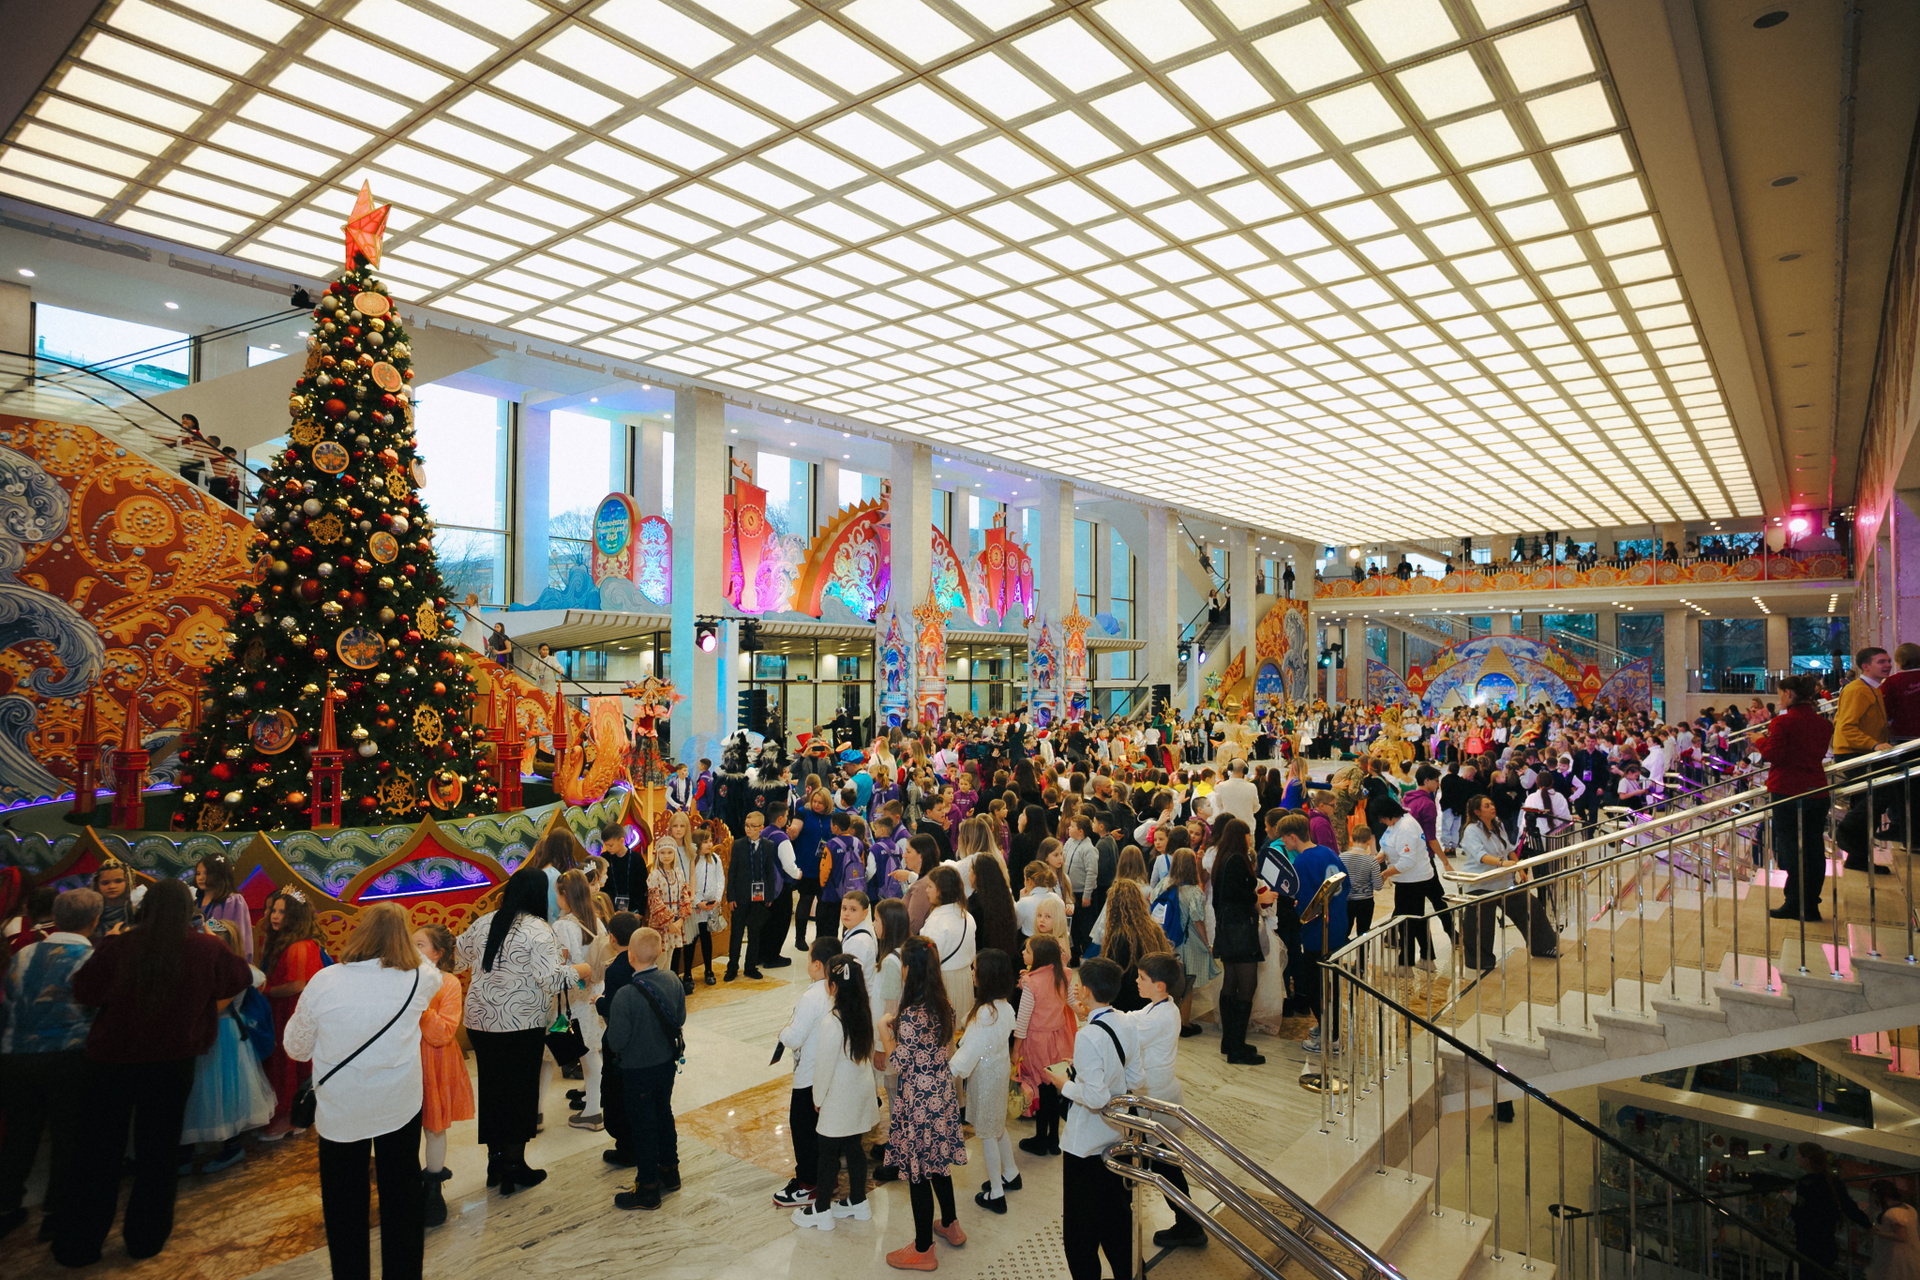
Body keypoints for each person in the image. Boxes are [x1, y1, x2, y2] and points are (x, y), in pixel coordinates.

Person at [54, 879, 251, 1268]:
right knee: (159, 1152)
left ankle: (80, 1243)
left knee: (98, 1151)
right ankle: (145, 1239)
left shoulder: (120, 944)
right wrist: (213, 948)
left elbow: (86, 992)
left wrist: (107, 945)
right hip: (171, 1063)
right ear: (188, 911)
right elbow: (238, 978)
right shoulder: (205, 947)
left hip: (112, 1061)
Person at [284, 903, 441, 1280]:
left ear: (359, 933)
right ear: (404, 937)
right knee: (402, 1193)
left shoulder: (325, 980)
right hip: (398, 1103)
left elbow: (296, 1048)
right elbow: (428, 967)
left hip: (342, 1107)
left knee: (344, 1203)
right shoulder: (421, 977)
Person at [455, 866, 591, 1196]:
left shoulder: (485, 921)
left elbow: (456, 959)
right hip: (520, 1024)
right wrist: (581, 969)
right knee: (519, 1094)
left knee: (493, 1091)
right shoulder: (539, 929)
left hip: (480, 1023)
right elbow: (551, 980)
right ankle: (514, 1167)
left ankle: (495, 1164)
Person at [0, 888, 100, 1242]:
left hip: (15, 1056)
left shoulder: (24, 953)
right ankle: (56, 1213)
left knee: (19, 1136)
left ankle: (6, 1206)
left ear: (55, 918)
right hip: (68, 1057)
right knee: (67, 1135)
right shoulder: (91, 958)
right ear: (94, 921)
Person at [1044, 957, 1135, 1280]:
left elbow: (1096, 1097)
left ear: (1086, 991)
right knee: (1115, 1219)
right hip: (1117, 1135)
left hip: (1085, 1145)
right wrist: (1083, 1070)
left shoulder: (1088, 1036)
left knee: (1080, 1231)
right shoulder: (1126, 1021)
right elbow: (1135, 1076)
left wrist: (1065, 1084)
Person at [883, 937, 968, 1271]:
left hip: (918, 1100)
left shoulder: (911, 1014)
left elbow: (900, 1062)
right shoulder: (944, 1004)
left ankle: (922, 1249)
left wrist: (885, 1032)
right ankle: (950, 1223)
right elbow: (937, 1046)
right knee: (938, 1163)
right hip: (941, 1095)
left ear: (908, 969)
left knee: (918, 1172)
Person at [178, 919, 274, 1174]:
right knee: (196, 1091)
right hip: (209, 1033)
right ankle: (187, 1150)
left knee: (225, 1091)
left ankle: (231, 1146)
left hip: (224, 1035)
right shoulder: (201, 968)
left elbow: (212, 1007)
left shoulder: (239, 972)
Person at [795, 955, 880, 1231]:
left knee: (828, 1152)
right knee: (854, 1146)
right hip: (861, 1092)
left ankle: (821, 1210)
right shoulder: (864, 1013)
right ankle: (858, 1201)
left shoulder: (832, 1022)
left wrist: (817, 1098)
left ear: (833, 986)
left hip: (839, 1096)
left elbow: (824, 1068)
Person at [606, 927, 688, 1211]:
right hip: (666, 1064)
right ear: (661, 951)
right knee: (663, 1114)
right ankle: (670, 1172)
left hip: (637, 1070)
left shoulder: (625, 995)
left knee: (643, 1126)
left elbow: (616, 1041)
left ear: (630, 956)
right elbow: (679, 1018)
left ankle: (648, 1188)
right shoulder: (672, 979)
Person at [1128, 951, 1205, 1249]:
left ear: (1159, 985)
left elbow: (1128, 1037)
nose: (1136, 981)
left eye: (1142, 978)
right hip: (1161, 1094)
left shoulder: (1159, 1017)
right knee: (1164, 1163)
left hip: (1155, 1098)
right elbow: (1132, 1018)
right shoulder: (1162, 1007)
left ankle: (1189, 1225)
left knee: (1166, 1167)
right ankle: (1188, 1223)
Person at [1757, 675, 1836, 921]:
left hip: (1788, 791)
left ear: (1789, 693)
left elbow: (1775, 755)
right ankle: (1810, 903)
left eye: (1780, 694)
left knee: (1791, 849)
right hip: (1817, 790)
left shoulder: (1782, 722)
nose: (1780, 698)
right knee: (1813, 848)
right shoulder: (1823, 723)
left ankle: (1795, 903)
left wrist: (1759, 741)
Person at [411, 924, 473, 1228]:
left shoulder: (447, 983)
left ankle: (433, 1188)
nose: (413, 950)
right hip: (407, 1061)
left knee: (434, 1126)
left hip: (435, 1061)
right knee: (405, 1126)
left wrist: (420, 1005)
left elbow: (443, 1032)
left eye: (420, 945)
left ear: (437, 953)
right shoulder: (403, 978)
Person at [950, 948, 1018, 1214]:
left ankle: (996, 1193)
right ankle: (1010, 1172)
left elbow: (970, 1051)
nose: (971, 973)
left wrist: (948, 1073)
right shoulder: (1004, 1006)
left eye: (974, 969)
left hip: (986, 1075)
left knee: (988, 1133)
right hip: (998, 1070)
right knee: (997, 1125)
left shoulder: (986, 1013)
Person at [774, 937, 840, 1210]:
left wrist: (783, 1033)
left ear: (816, 965)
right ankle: (828, 1177)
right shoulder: (838, 990)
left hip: (809, 1076)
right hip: (828, 1073)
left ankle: (808, 1184)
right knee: (821, 1131)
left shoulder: (811, 997)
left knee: (802, 1130)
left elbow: (796, 1037)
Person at [258, 888, 325, 1139]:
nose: (274, 916)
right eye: (274, 910)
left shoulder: (298, 946)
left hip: (290, 1010)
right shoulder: (289, 942)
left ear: (296, 916)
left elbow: (297, 985)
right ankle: (297, 1117)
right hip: (285, 1009)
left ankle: (289, 1117)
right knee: (289, 1063)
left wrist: (265, 990)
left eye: (282, 912)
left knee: (287, 1063)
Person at [1210, 818, 1276, 1065]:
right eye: (1248, 835)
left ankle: (1230, 1041)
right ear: (1241, 836)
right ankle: (1236, 1047)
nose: (1250, 839)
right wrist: (1258, 898)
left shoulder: (1223, 858)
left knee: (1231, 983)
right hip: (1239, 930)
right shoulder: (1237, 859)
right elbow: (1237, 895)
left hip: (1227, 929)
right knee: (1247, 987)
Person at [554, 870, 606, 1132]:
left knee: (587, 1054)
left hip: (575, 997)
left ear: (564, 894)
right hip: (596, 992)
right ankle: (593, 1099)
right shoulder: (596, 921)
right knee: (593, 1050)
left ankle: (593, 1112)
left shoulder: (562, 926)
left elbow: (560, 964)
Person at [726, 809, 799, 981]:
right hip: (740, 896)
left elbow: (769, 873)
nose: (749, 829)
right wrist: (731, 897)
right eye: (747, 826)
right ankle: (732, 967)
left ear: (761, 827)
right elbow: (732, 872)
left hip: (758, 896)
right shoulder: (738, 845)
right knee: (736, 933)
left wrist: (769, 895)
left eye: (753, 826)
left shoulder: (768, 845)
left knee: (755, 932)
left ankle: (750, 966)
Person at [1155, 848, 1218, 1036]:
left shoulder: (1163, 885)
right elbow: (1198, 920)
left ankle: (1167, 1022)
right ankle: (1184, 1024)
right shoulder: (1194, 892)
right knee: (1187, 984)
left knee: (1168, 983)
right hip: (1187, 942)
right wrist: (1207, 944)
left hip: (1166, 941)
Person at [1789, 1141, 1870, 1274]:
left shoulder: (1805, 1184)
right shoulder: (1832, 1182)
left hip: (1807, 1240)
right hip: (1827, 1240)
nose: (1796, 1157)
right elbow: (1848, 1206)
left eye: (1798, 1154)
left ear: (1807, 1160)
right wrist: (1867, 1224)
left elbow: (1798, 1213)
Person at [921, 865, 977, 1027]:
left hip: (943, 981)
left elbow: (928, 960)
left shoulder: (937, 920)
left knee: (942, 1030)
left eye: (930, 886)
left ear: (940, 890)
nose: (926, 890)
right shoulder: (967, 915)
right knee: (959, 1028)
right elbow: (971, 953)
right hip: (964, 978)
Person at [650, 812, 693, 991]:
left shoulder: (679, 873)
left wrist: (681, 920)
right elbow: (655, 903)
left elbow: (685, 897)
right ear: (658, 855)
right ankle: (657, 991)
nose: (666, 856)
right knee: (660, 961)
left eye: (669, 852)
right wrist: (669, 923)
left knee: (670, 959)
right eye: (663, 853)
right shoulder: (654, 875)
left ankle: (667, 991)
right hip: (662, 926)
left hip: (676, 924)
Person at [682, 826, 725, 987]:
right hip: (695, 908)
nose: (709, 845)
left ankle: (709, 970)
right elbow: (688, 883)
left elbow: (720, 879)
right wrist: (697, 902)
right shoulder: (690, 860)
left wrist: (717, 899)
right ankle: (687, 974)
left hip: (710, 907)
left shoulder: (715, 859)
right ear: (697, 844)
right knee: (691, 941)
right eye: (705, 842)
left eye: (710, 841)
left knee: (706, 940)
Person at [193, 854, 251, 963]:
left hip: (224, 961)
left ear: (220, 874)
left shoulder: (233, 901)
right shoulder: (195, 903)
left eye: (207, 873)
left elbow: (239, 937)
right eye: (198, 873)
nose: (201, 877)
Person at [1868, 1179, 1920, 1280]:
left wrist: (1877, 1232)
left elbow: (1901, 1236)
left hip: (1896, 1255)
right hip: (1909, 1253)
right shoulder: (1908, 1208)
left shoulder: (1893, 1213)